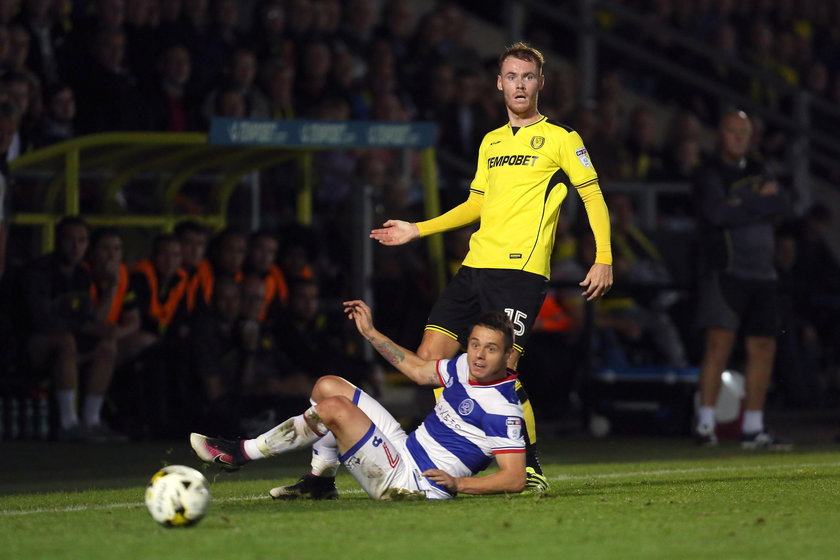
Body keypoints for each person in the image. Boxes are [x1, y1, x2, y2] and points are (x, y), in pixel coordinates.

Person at [368, 42, 614, 491]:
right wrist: (417, 229)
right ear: (499, 83)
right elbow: (475, 203)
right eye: (511, 77)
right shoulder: (491, 141)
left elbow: (592, 195)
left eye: (528, 77)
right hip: (475, 265)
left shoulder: (562, 138)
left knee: (502, 370)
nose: (519, 85)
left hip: (520, 273)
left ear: (541, 83)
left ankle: (529, 465)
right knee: (431, 357)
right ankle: (466, 440)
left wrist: (603, 257)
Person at [191, 300, 526, 500]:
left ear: (508, 354)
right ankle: (320, 482)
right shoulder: (466, 365)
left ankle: (241, 453)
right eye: (475, 344)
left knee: (334, 410)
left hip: (415, 485)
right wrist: (370, 333)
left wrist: (458, 484)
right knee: (327, 387)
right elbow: (419, 370)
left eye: (491, 348)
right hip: (405, 450)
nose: (479, 355)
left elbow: (515, 478)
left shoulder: (502, 408)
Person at [693, 109, 794, 449]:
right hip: (727, 272)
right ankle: (705, 424)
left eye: (744, 131)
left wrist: (743, 201)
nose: (739, 137)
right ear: (720, 135)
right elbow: (717, 213)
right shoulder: (709, 172)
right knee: (718, 344)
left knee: (763, 346)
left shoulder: (758, 168)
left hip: (763, 273)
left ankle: (753, 427)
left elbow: (782, 202)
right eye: (732, 131)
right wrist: (757, 200)